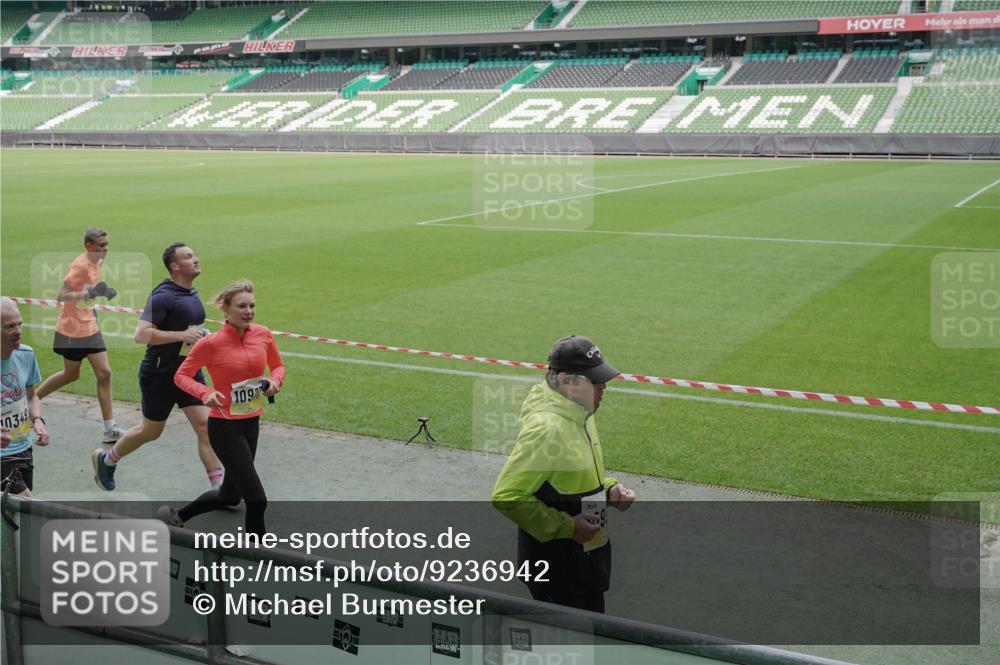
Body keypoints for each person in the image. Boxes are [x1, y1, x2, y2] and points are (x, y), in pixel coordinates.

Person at [492, 335, 636, 613]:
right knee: (570, 649)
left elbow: (572, 477)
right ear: (568, 382)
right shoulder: (547, 428)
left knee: (590, 638)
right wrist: (569, 526)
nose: (603, 386)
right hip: (558, 566)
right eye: (595, 380)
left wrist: (609, 489)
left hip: (584, 558)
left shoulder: (581, 414)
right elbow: (507, 495)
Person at [154, 280, 284, 536]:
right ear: (225, 309)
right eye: (241, 306)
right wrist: (206, 392)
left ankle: (176, 516)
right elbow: (182, 376)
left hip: (251, 422)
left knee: (231, 495)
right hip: (224, 427)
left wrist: (274, 382)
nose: (249, 311)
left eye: (252, 306)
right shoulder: (210, 344)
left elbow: (278, 366)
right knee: (257, 500)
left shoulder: (263, 334)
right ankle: (256, 556)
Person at [90, 243, 223, 492]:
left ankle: (219, 488)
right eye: (188, 257)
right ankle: (106, 461)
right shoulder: (163, 296)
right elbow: (141, 335)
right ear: (175, 266)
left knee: (206, 427)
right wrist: (181, 334)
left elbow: (189, 331)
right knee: (151, 431)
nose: (196, 259)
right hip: (161, 374)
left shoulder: (190, 293)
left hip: (188, 371)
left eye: (194, 254)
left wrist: (203, 336)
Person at [36, 227, 122, 443]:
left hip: (90, 325)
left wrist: (104, 291)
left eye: (107, 245)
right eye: (102, 246)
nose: (106, 249)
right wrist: (91, 293)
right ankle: (32, 400)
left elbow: (92, 289)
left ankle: (109, 429)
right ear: (88, 246)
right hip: (72, 329)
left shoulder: (97, 262)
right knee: (70, 374)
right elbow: (61, 295)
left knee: (104, 373)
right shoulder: (79, 265)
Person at [1, 298, 50, 497]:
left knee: (13, 515)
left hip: (23, 446)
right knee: (27, 504)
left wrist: (37, 419)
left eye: (19, 324)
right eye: (9, 326)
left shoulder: (26, 354)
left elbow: (32, 396)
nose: (18, 330)